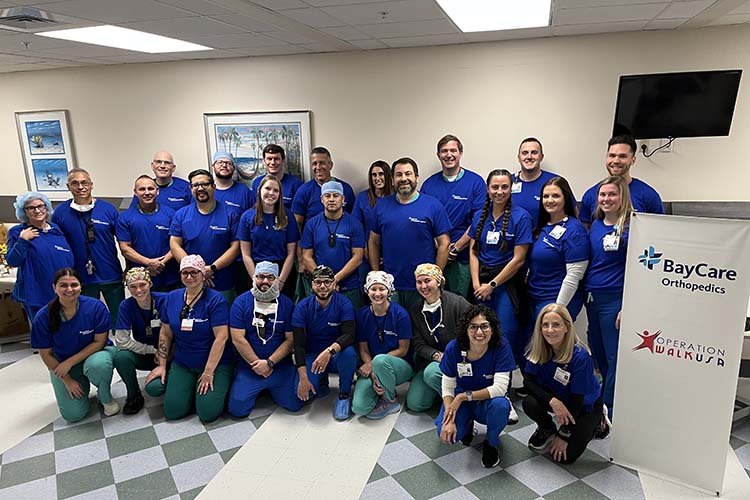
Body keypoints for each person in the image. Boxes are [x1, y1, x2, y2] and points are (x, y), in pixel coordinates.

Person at [144, 255, 234, 423]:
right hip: (184, 362)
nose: (189, 277)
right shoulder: (172, 298)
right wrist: (162, 365)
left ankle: (218, 386)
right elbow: (165, 333)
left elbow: (221, 338)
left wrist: (208, 372)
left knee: (207, 413)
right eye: (185, 273)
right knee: (173, 412)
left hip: (215, 364)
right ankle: (187, 389)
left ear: (203, 274)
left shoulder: (215, 300)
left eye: (194, 272)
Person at [30, 268, 119, 422]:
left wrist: (69, 362)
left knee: (98, 365)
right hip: (62, 366)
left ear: (81, 286)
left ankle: (105, 396)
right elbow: (46, 355)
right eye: (63, 285)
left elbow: (99, 342)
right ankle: (81, 386)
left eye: (74, 285)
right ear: (54, 288)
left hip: (94, 355)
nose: (69, 289)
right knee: (73, 415)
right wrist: (67, 380)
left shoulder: (95, 307)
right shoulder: (43, 317)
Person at [523, 304, 606, 464]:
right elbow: (529, 381)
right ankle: (547, 429)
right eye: (545, 325)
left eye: (556, 325)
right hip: (558, 397)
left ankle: (599, 422)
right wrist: (552, 401)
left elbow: (578, 401)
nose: (550, 330)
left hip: (584, 406)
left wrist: (564, 435)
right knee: (529, 403)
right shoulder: (539, 347)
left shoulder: (580, 357)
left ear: (567, 327)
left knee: (566, 458)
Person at [435, 305, 515, 468]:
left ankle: (491, 443)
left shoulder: (501, 346)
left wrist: (463, 396)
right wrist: (449, 418)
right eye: (473, 327)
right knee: (448, 435)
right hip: (462, 402)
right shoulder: (454, 347)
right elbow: (448, 386)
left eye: (484, 326)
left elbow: (500, 389)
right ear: (466, 329)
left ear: (492, 329)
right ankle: (467, 424)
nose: (479, 332)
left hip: (487, 401)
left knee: (501, 406)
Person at [469, 169, 532, 373]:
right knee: (479, 332)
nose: (499, 191)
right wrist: (477, 283)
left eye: (504, 186)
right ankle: (483, 379)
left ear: (511, 188)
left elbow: (519, 258)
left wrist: (493, 285)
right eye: (495, 187)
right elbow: (473, 251)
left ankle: (502, 388)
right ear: (488, 189)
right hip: (481, 283)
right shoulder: (480, 215)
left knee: (504, 334)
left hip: (506, 283)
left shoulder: (521, 217)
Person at [368, 157, 451, 309]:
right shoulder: (381, 206)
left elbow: (444, 243)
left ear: (416, 177)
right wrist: (376, 274)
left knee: (422, 329)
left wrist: (434, 276)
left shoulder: (433, 206)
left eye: (408, 174)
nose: (404, 178)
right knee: (394, 327)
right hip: (390, 284)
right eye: (399, 175)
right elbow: (373, 241)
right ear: (392, 180)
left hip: (422, 285)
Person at [584, 175, 633, 428]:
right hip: (593, 298)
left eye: (612, 194)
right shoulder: (595, 226)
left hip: (615, 300)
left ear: (622, 197)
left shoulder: (631, 227)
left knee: (614, 357)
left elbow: (638, 268)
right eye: (603, 195)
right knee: (598, 353)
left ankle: (610, 409)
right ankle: (604, 401)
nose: (606, 199)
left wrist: (629, 305)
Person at [228, 261, 303, 417]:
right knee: (237, 410)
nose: (265, 281)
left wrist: (269, 363)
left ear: (277, 280)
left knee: (294, 404)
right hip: (250, 367)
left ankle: (269, 387)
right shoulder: (241, 303)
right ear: (254, 277)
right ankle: (256, 386)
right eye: (261, 277)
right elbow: (237, 339)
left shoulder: (287, 304)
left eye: (270, 277)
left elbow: (290, 340)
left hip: (279, 366)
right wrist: (258, 365)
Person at [51, 168, 124, 324]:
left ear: (91, 185)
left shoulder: (108, 209)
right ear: (68, 186)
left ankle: (122, 345)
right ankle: (94, 346)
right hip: (80, 276)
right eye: (75, 183)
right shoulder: (60, 213)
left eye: (84, 183)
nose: (80, 187)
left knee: (118, 315)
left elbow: (123, 241)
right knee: (87, 316)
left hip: (110, 272)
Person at [421, 135, 486, 298]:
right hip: (434, 255)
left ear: (461, 153)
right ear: (438, 155)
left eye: (453, 150)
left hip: (462, 257)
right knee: (435, 300)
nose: (448, 155)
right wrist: (438, 245)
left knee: (460, 303)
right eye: (444, 151)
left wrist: (456, 247)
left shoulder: (475, 182)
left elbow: (479, 220)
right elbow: (423, 220)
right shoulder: (429, 185)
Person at [292, 265, 357, 420]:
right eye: (318, 282)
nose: (322, 286)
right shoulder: (302, 307)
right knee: (297, 400)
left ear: (334, 284)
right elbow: (298, 345)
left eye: (327, 282)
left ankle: (344, 394)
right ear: (312, 284)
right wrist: (303, 378)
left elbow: (349, 335)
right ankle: (321, 382)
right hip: (313, 357)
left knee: (349, 353)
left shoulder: (343, 303)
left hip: (335, 355)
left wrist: (329, 352)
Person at [405, 264, 470, 412]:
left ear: (439, 281)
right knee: (416, 404)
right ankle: (442, 392)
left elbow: (473, 333)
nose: (423, 286)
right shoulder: (415, 310)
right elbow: (418, 344)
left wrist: (454, 356)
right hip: (431, 361)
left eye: (428, 281)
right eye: (419, 282)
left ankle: (461, 407)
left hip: (458, 360)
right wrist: (435, 355)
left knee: (432, 373)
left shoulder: (458, 303)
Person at [169, 169, 240, 303]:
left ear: (213, 187)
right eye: (195, 185)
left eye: (205, 184)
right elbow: (174, 244)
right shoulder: (181, 215)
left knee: (223, 321)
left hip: (222, 281)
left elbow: (236, 247)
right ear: (190, 189)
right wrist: (196, 270)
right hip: (192, 282)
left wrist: (212, 269)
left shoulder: (230, 214)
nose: (200, 188)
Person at [527, 176, 589, 322]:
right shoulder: (543, 226)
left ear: (566, 199)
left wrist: (557, 308)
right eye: (546, 196)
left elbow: (574, 275)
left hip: (556, 300)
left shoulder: (574, 230)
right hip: (535, 296)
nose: (550, 200)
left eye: (556, 196)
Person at [352, 271, 412, 419]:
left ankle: (390, 400)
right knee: (359, 407)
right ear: (367, 291)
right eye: (373, 289)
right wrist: (373, 373)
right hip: (372, 366)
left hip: (399, 366)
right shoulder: (362, 315)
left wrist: (374, 364)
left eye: (382, 289)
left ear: (389, 291)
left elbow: (403, 350)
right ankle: (380, 390)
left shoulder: (400, 314)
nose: (377, 293)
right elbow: (363, 349)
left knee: (380, 360)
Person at [7, 192, 74, 322]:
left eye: (40, 206)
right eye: (31, 208)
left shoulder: (56, 229)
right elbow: (13, 261)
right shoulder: (18, 232)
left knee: (65, 329)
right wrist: (23, 240)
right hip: (36, 293)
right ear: (24, 211)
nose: (37, 210)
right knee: (43, 332)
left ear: (46, 207)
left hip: (62, 291)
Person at [300, 180, 365, 307]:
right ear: (322, 199)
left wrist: (335, 280)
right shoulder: (312, 224)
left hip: (349, 288)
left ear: (343, 199)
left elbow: (358, 258)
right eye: (327, 196)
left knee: (350, 324)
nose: (331, 199)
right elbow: (306, 257)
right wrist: (324, 281)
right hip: (321, 290)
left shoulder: (354, 224)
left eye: (335, 195)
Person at [112, 267, 167, 414]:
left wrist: (163, 354)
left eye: (142, 284)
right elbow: (121, 341)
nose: (138, 290)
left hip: (169, 355)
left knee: (154, 389)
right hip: (146, 353)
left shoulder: (165, 300)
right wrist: (151, 350)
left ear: (150, 284)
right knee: (121, 356)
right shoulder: (126, 306)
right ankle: (134, 395)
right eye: (133, 287)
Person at [578, 134, 664, 225]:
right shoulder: (590, 195)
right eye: (612, 155)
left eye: (622, 156)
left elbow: (659, 230)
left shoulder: (649, 195)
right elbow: (585, 231)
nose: (616, 161)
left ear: (633, 160)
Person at [239, 175, 299, 300]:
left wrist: (280, 282)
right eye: (267, 188)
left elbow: (291, 254)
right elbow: (245, 254)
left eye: (276, 190)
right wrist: (256, 279)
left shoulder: (288, 217)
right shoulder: (247, 217)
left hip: (282, 272)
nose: (271, 193)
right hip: (255, 271)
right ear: (260, 190)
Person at [117, 175, 178, 291]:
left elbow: (178, 243)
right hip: (140, 280)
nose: (147, 192)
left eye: (150, 189)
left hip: (170, 276)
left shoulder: (171, 214)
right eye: (142, 189)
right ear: (135, 192)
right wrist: (149, 263)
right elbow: (125, 248)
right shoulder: (125, 218)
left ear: (157, 191)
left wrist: (161, 263)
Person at [351, 160, 393, 293]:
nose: (377, 178)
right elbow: (356, 227)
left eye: (381, 174)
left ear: (388, 176)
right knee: (368, 290)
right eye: (374, 175)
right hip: (366, 252)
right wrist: (367, 252)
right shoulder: (363, 197)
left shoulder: (396, 197)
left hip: (391, 253)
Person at [291, 146, 356, 232]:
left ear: (330, 165)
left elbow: (354, 221)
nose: (318, 167)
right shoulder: (303, 191)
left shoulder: (345, 189)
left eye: (322, 163)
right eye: (314, 163)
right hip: (313, 241)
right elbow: (297, 223)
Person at [511, 138, 572, 228]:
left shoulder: (555, 182)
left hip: (545, 239)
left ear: (541, 157)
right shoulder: (507, 183)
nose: (529, 157)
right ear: (519, 158)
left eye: (534, 152)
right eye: (525, 153)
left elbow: (572, 214)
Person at [250, 144, 303, 211]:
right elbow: (255, 209)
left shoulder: (296, 184)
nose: (272, 162)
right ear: (264, 161)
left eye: (276, 159)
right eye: (269, 159)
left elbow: (297, 214)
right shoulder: (257, 183)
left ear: (283, 161)